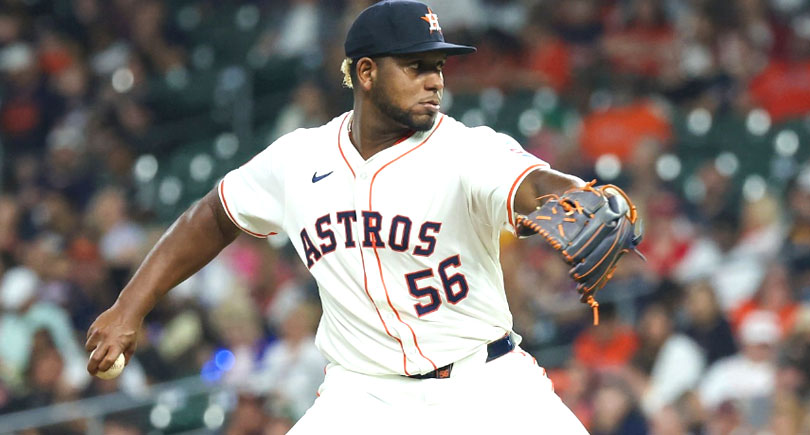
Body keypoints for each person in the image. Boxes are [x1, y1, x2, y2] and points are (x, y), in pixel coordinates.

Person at [86, 1, 592, 433]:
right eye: (416, 66)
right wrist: (129, 307)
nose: (434, 81)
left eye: (437, 66)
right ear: (366, 72)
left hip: (483, 382)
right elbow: (214, 215)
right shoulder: (299, 159)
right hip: (362, 395)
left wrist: (583, 198)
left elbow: (535, 183)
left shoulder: (465, 149)